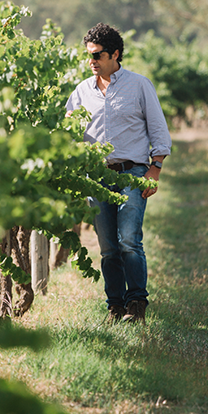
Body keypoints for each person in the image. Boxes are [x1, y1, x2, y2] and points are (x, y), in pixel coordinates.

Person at [65, 23, 171, 323]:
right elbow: (67, 132)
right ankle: (115, 306)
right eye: (89, 55)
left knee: (129, 241)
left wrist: (155, 169)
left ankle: (136, 304)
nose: (92, 61)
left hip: (132, 173)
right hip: (96, 177)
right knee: (109, 248)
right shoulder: (81, 91)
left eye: (97, 55)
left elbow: (159, 131)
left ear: (115, 54)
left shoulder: (139, 85)